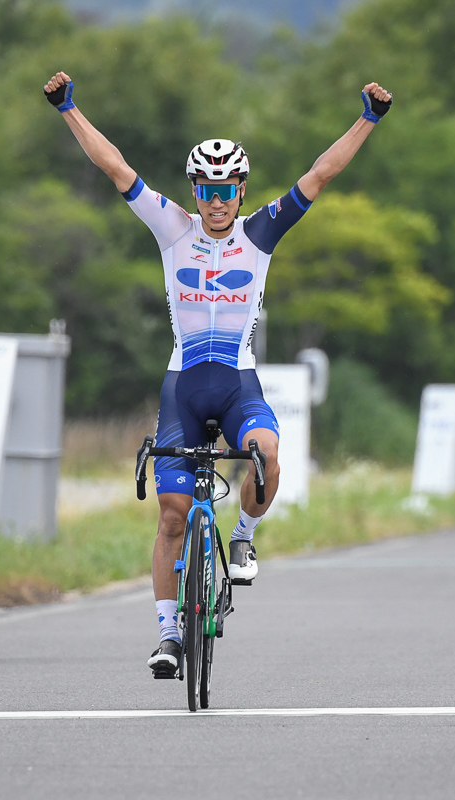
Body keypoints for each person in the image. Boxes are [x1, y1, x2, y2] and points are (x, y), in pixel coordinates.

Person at [43, 70, 394, 676]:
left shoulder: (260, 233)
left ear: (241, 188)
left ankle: (245, 536)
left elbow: (321, 174)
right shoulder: (170, 226)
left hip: (237, 384)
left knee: (267, 453)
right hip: (183, 386)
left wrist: (367, 119)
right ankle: (168, 636)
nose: (216, 200)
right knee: (172, 514)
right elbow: (114, 167)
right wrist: (68, 109)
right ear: (195, 190)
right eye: (206, 188)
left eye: (226, 188)